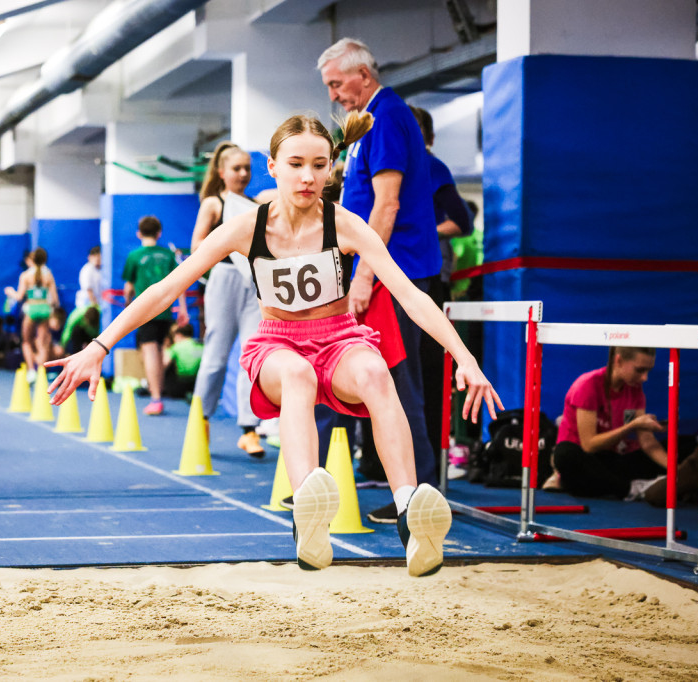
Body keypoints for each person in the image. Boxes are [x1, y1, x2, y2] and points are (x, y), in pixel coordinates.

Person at [46, 112, 502, 576]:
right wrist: (99, 346)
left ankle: (410, 513)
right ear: (273, 166)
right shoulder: (247, 227)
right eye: (297, 163)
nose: (308, 176)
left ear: (331, 169)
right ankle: (307, 510)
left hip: (340, 340)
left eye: (319, 165)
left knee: (374, 371)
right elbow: (167, 288)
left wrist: (465, 358)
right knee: (299, 376)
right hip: (279, 345)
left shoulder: (345, 225)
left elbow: (410, 295)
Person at [318, 38, 443, 520]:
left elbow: (386, 204)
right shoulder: (372, 120)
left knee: (397, 382)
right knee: (383, 380)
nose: (334, 95)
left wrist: (365, 276)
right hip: (387, 269)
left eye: (336, 84)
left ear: (362, 75)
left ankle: (419, 490)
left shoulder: (387, 116)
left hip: (396, 272)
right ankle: (408, 485)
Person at [410, 105, 474, 486]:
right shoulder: (397, 172)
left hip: (431, 280)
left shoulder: (433, 169)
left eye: (413, 131)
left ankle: (428, 473)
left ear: (428, 138)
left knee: (428, 376)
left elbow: (462, 222)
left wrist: (425, 234)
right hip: (404, 279)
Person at [191, 141, 265, 457]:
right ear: (222, 172)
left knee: (252, 354)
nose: (244, 173)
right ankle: (200, 421)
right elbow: (197, 245)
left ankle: (249, 430)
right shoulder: (213, 204)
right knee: (216, 356)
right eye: (237, 168)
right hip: (222, 279)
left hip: (254, 280)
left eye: (247, 168)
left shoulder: (255, 204)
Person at [550, 347, 668, 500]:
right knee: (564, 454)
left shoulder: (635, 390)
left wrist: (676, 471)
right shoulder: (587, 385)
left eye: (648, 371)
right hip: (585, 460)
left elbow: (647, 442)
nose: (645, 378)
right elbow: (589, 445)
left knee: (681, 446)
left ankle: (665, 482)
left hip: (612, 460)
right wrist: (632, 426)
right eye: (640, 370)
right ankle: (632, 489)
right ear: (618, 361)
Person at [120, 216, 189, 416]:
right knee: (159, 351)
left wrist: (127, 305)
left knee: (149, 352)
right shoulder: (168, 255)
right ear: (159, 233)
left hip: (145, 309)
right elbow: (180, 283)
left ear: (139, 234)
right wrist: (182, 309)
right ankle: (158, 392)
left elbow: (128, 288)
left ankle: (156, 398)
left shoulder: (134, 256)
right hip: (165, 311)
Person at [4, 247, 60, 383]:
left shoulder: (25, 275)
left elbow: (19, 297)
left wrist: (10, 291)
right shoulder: (48, 275)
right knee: (43, 342)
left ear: (31, 260)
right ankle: (42, 371)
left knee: (26, 341)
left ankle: (31, 371)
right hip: (45, 309)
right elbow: (55, 300)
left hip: (31, 309)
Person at [163, 323, 204, 399]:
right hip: (198, 385)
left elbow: (163, 365)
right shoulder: (201, 346)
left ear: (178, 335)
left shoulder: (175, 347)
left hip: (178, 387)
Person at [76, 246, 103, 311]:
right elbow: (89, 290)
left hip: (97, 304)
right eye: (95, 257)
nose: (97, 260)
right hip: (86, 306)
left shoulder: (100, 270)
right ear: (89, 257)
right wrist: (95, 306)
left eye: (99, 258)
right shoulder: (87, 270)